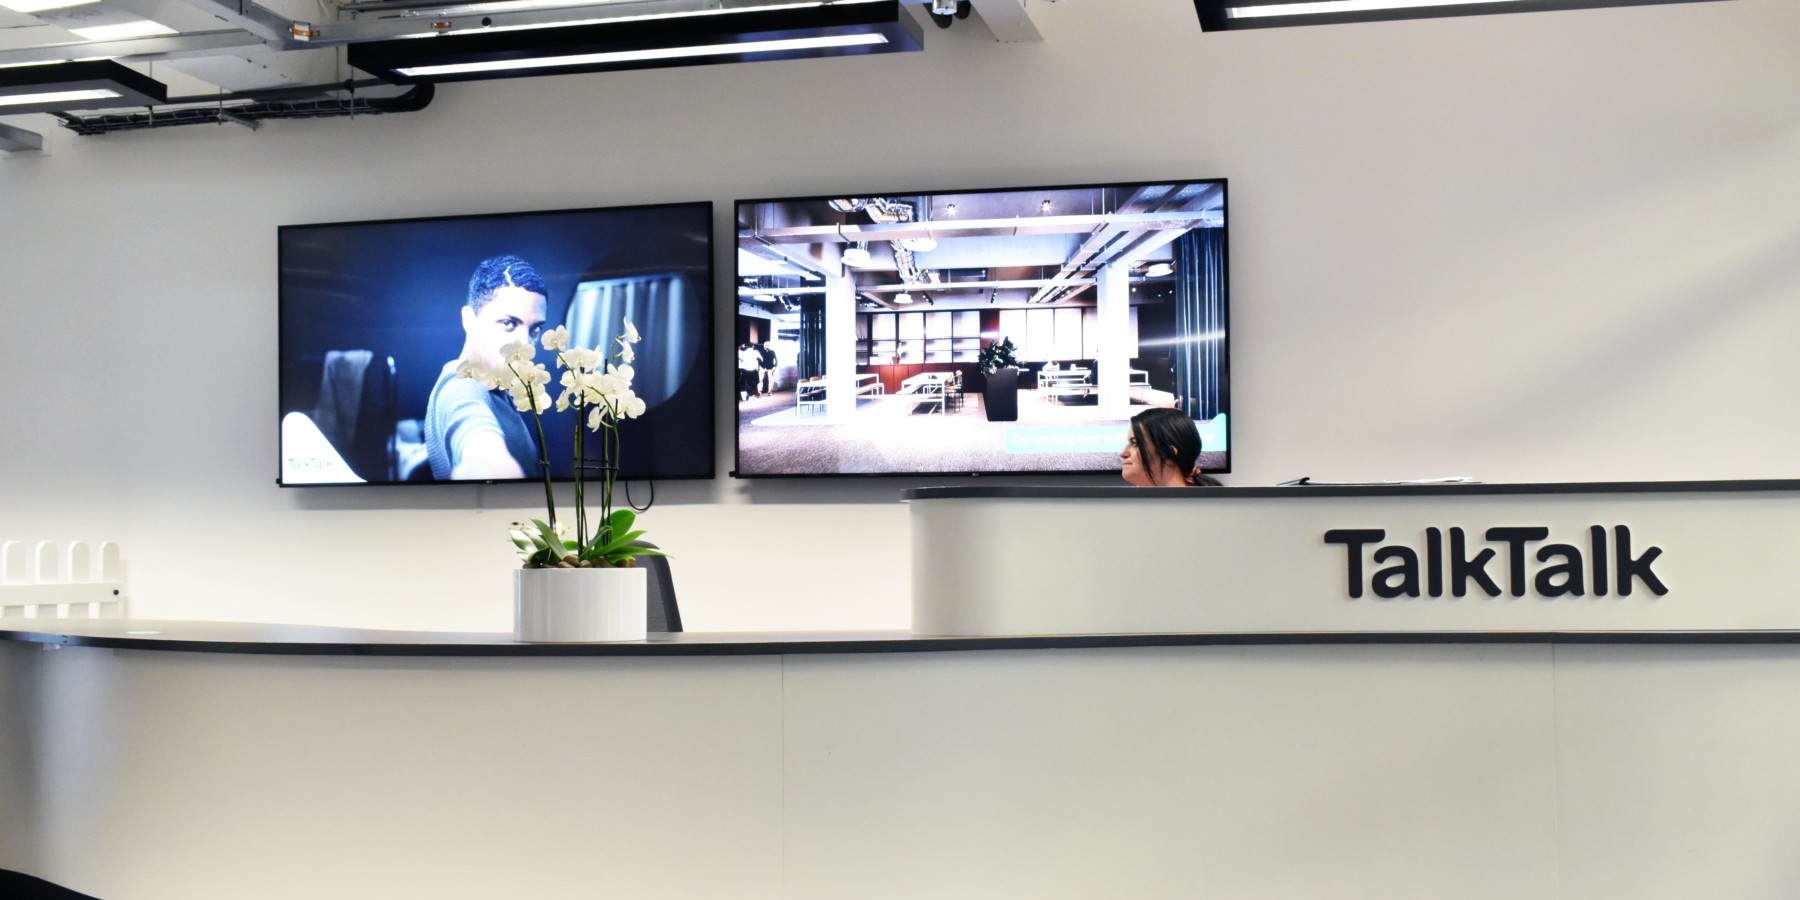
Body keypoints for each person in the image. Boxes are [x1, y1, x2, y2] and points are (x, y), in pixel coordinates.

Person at [424, 255, 549, 481]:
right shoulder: (461, 385)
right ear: (469, 320)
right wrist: (490, 465)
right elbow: (481, 449)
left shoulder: (497, 386)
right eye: (508, 323)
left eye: (535, 330)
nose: (524, 344)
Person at [1120, 407, 1221, 487]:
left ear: (1168, 454)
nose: (1123, 453)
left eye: (1135, 443)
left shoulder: (1208, 507)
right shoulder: (1132, 505)